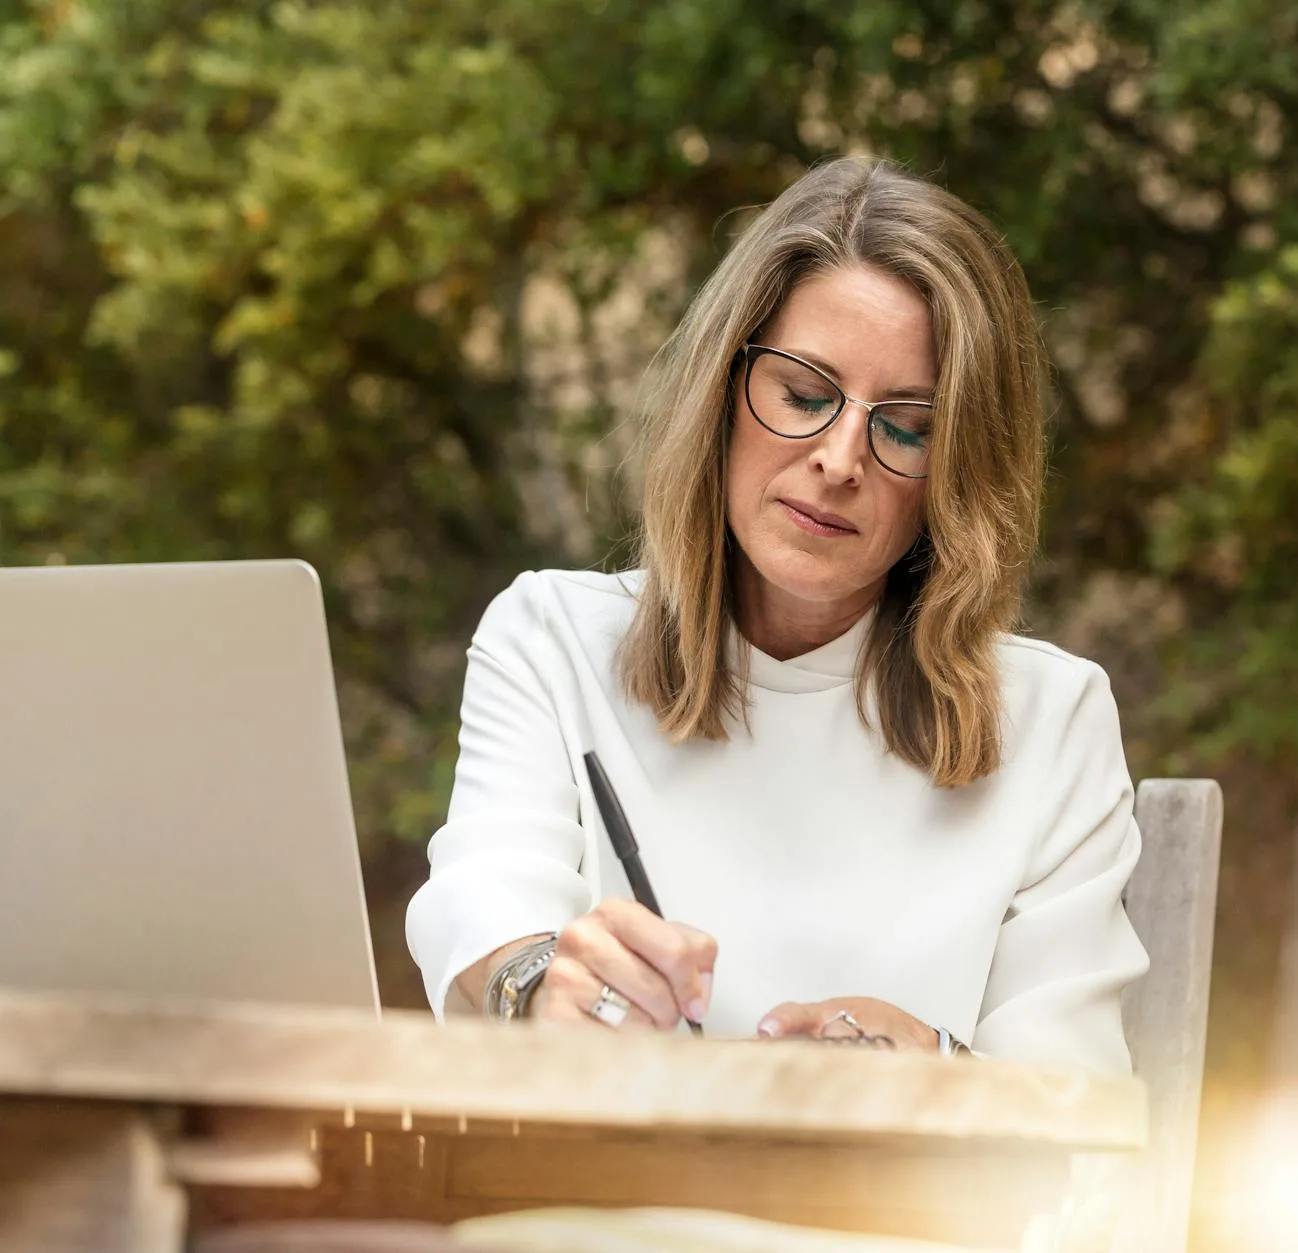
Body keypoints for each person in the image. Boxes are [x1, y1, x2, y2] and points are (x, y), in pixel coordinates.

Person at [405, 156, 1148, 1074]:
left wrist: (942, 1069)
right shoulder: (552, 639)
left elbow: (1077, 1109)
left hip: (893, 1212)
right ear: (724, 388)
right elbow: (487, 902)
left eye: (907, 427)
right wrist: (539, 983)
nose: (841, 459)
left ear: (958, 472)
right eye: (803, 394)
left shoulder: (1052, 720)